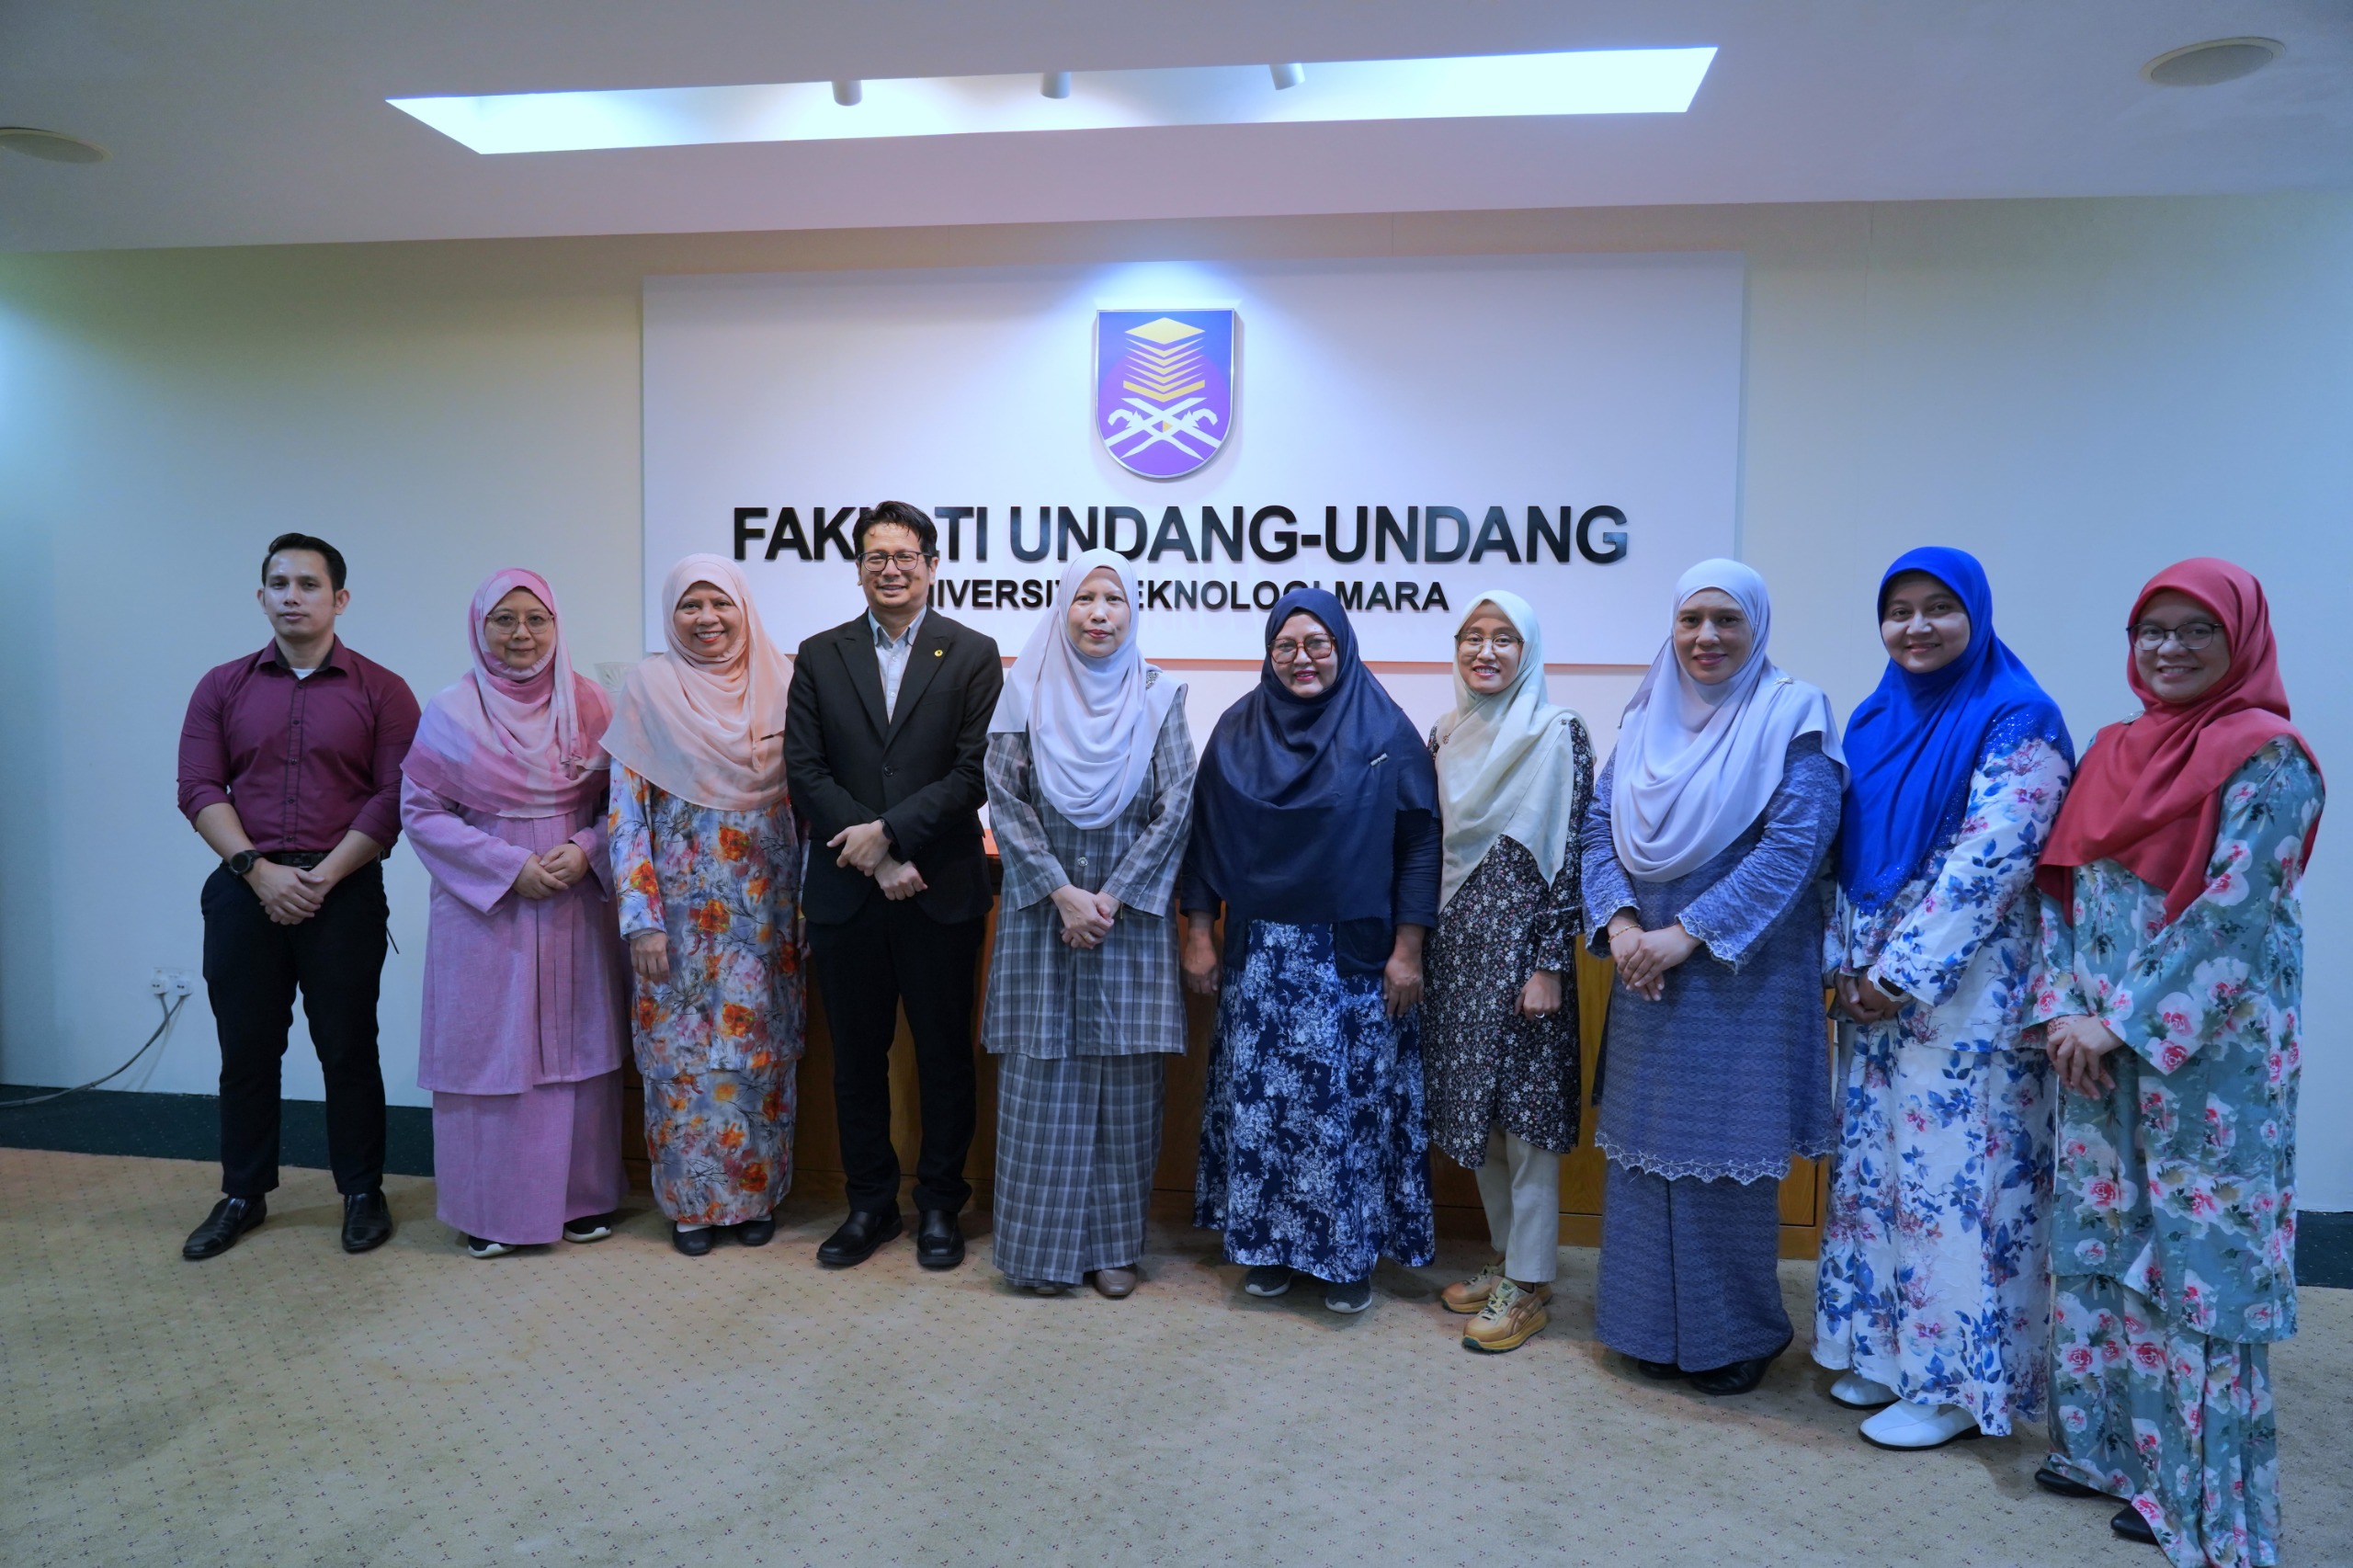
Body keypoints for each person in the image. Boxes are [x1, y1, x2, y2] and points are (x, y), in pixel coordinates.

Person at [2030, 559, 2321, 1564]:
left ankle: (2196, 1494)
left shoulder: (2271, 757)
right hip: (2093, 1044)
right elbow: (2060, 891)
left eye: (2197, 629)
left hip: (2208, 1058)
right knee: (2102, 1239)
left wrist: (2118, 1023)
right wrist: (2065, 1007)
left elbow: (2233, 916)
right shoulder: (2112, 748)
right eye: (2152, 629)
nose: (2170, 648)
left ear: (2241, 639)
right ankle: (2110, 1455)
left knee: (2197, 1263)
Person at [1812, 548, 2075, 1448]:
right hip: (1872, 997)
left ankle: (1958, 1385)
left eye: (1938, 608)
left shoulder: (2019, 715)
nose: (1916, 626)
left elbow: (1993, 858)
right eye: (1899, 610)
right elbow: (1845, 852)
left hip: (1966, 1000)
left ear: (1976, 614)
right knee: (1877, 1181)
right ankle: (1886, 1354)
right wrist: (1844, 965)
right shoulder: (1874, 717)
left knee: (1959, 1192)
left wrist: (1899, 973)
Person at [1579, 559, 1844, 1392]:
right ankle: (1644, 1326)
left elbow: (1795, 846)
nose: (1706, 637)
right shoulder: (1644, 715)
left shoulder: (1792, 715)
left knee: (1724, 1157)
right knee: (1641, 1156)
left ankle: (1735, 1337)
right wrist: (1624, 927)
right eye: (1691, 619)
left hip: (1741, 979)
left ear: (1756, 627)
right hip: (1645, 972)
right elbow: (1596, 828)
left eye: (1727, 620)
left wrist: (1686, 934)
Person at [1183, 588, 1440, 1314]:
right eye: (1286, 646)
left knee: (1346, 1111)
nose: (1303, 659)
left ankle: (1347, 1259)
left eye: (1317, 644)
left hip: (1350, 960)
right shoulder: (1236, 730)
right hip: (1261, 958)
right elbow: (1204, 841)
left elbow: (1420, 844)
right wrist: (1199, 932)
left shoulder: (1386, 729)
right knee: (1265, 1114)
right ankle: (1268, 1250)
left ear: (1342, 648)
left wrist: (1409, 950)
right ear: (1268, 653)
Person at [176, 533, 420, 1260]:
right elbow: (198, 787)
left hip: (342, 892)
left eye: (308, 584)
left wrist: (323, 877)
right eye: (279, 584)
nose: (292, 596)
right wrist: (257, 870)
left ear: (339, 599)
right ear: (261, 597)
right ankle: (243, 1192)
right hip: (245, 890)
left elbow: (395, 796)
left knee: (348, 1047)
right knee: (247, 1048)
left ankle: (362, 1191)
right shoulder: (222, 686)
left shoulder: (383, 690)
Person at [786, 502, 1003, 1271]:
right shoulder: (820, 655)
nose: (891, 569)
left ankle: (941, 1204)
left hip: (940, 887)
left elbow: (975, 771)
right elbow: (804, 770)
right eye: (876, 557)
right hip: (848, 893)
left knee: (945, 1057)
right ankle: (870, 1204)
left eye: (905, 556)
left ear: (932, 566)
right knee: (856, 1060)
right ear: (858, 569)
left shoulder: (973, 653)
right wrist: (875, 854)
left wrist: (894, 834)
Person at [981, 550, 1196, 1299]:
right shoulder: (1023, 691)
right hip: (1042, 920)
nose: (1099, 613)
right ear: (1063, 608)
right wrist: (1062, 894)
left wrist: (1110, 899)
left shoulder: (1159, 696)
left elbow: (1177, 807)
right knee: (1040, 1087)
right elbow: (1005, 802)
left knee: (1126, 1094)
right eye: (1085, 598)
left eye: (1114, 599)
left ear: (1132, 612)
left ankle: (1113, 1250)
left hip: (1126, 926)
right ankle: (1038, 1254)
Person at [401, 568, 628, 1258]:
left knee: (579, 1049)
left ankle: (582, 1199)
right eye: (504, 619)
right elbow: (422, 812)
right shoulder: (450, 712)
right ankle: (490, 1211)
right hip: (489, 911)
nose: (521, 634)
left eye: (536, 619)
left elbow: (623, 805)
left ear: (556, 626)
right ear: (480, 628)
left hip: (573, 899)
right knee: (491, 1053)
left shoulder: (592, 705)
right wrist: (507, 868)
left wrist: (587, 850)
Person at [603, 554, 805, 1257]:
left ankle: (757, 1198)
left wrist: (808, 912)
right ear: (671, 615)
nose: (707, 619)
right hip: (678, 924)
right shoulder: (648, 689)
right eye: (691, 605)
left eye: (720, 603)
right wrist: (641, 921)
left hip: (767, 915)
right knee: (682, 1064)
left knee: (759, 1057)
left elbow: (811, 806)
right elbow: (625, 815)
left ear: (743, 608)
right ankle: (690, 1207)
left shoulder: (783, 683)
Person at [1422, 591, 1595, 1353]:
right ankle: (1508, 1259)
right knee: (1479, 1121)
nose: (1485, 652)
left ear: (1528, 652)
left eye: (1503, 639)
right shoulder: (1444, 735)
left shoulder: (1558, 733)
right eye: (1472, 637)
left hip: (1525, 959)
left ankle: (1529, 1284)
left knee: (1527, 1127)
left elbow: (1571, 859)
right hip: (1457, 954)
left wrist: (1550, 965)